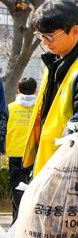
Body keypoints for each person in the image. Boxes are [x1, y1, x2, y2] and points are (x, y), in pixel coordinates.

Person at [22, 0, 78, 176]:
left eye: (49, 36)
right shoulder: (56, 61)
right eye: (41, 36)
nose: (45, 43)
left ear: (75, 31)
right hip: (47, 166)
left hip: (67, 175)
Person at [6, 78, 37, 221]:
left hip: (15, 153)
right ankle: (29, 221)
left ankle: (17, 221)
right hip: (34, 154)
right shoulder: (39, 107)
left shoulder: (10, 108)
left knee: (16, 189)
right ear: (35, 90)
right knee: (35, 190)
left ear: (18, 90)